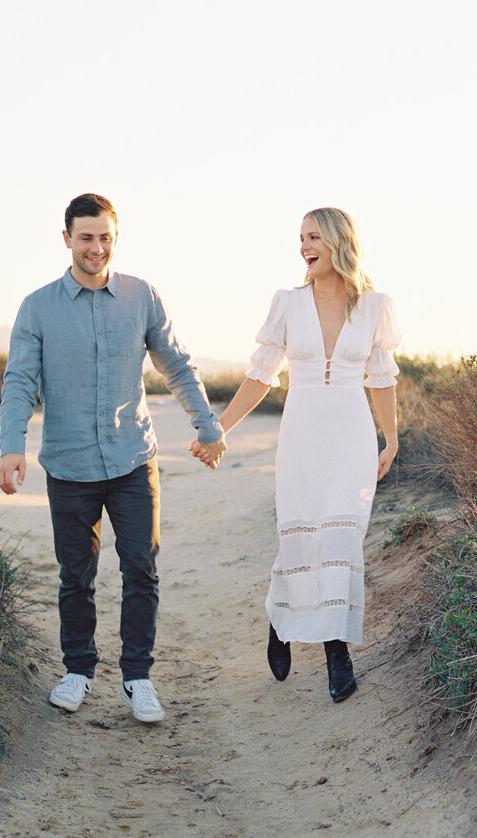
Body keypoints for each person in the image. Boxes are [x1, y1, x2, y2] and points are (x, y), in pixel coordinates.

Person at [0, 193, 227, 723]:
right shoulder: (37, 307)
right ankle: (77, 670)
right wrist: (12, 444)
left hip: (132, 461)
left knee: (141, 569)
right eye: (85, 238)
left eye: (105, 237)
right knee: (75, 574)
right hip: (69, 465)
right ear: (67, 240)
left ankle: (137, 678)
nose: (96, 248)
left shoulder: (141, 296)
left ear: (114, 238)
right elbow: (19, 382)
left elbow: (176, 365)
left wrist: (207, 424)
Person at [194, 207, 399, 702]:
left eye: (313, 237)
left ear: (338, 242)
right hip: (302, 437)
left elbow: (382, 379)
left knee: (342, 540)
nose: (304, 246)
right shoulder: (287, 302)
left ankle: (337, 653)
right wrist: (218, 427)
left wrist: (390, 439)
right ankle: (281, 619)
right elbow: (261, 374)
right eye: (300, 238)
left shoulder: (375, 305)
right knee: (302, 538)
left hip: (351, 437)